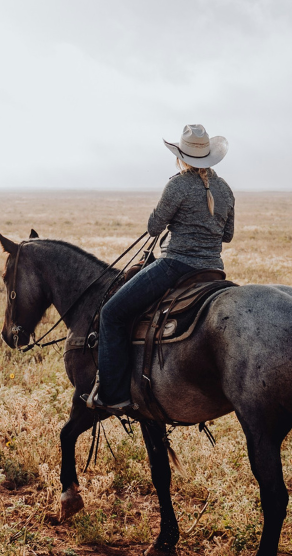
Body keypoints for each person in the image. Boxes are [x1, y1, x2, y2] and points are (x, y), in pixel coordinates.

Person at [86, 124, 236, 412]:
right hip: (214, 271)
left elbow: (154, 227)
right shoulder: (225, 189)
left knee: (112, 314)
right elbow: (227, 235)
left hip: (176, 265)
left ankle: (114, 395)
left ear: (181, 156)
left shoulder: (178, 185)